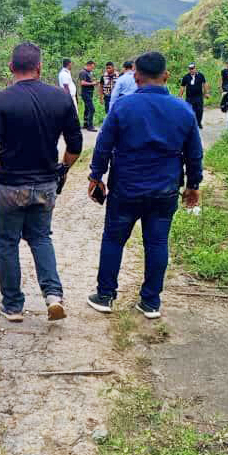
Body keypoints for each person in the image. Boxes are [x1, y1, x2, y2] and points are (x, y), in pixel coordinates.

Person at [87, 51, 203, 319]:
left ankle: (105, 296)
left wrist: (96, 177)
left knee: (114, 240)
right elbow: (194, 154)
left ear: (135, 76)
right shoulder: (183, 109)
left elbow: (103, 146)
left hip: (126, 188)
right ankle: (150, 302)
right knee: (157, 242)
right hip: (164, 190)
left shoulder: (123, 107)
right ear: (166, 76)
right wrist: (193, 185)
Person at [0, 42, 82, 322]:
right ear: (40, 68)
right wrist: (63, 169)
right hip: (45, 184)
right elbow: (76, 145)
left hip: (10, 186)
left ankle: (13, 306)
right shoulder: (60, 98)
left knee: (7, 243)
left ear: (11, 68)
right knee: (41, 237)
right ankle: (53, 296)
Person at [178, 63, 209, 129]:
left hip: (199, 97)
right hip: (189, 97)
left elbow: (204, 84)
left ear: (195, 68)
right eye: (190, 69)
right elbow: (182, 87)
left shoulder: (200, 75)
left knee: (199, 110)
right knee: (189, 111)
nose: (191, 70)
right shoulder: (186, 77)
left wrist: (206, 93)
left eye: (192, 68)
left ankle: (199, 123)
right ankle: (191, 124)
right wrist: (179, 96)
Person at [78, 60, 98, 131]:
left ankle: (85, 124)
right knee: (92, 109)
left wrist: (94, 82)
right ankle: (90, 126)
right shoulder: (83, 72)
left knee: (87, 109)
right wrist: (92, 84)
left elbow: (89, 81)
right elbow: (82, 83)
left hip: (90, 93)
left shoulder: (89, 72)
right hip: (85, 93)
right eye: (92, 67)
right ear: (88, 65)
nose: (92, 69)